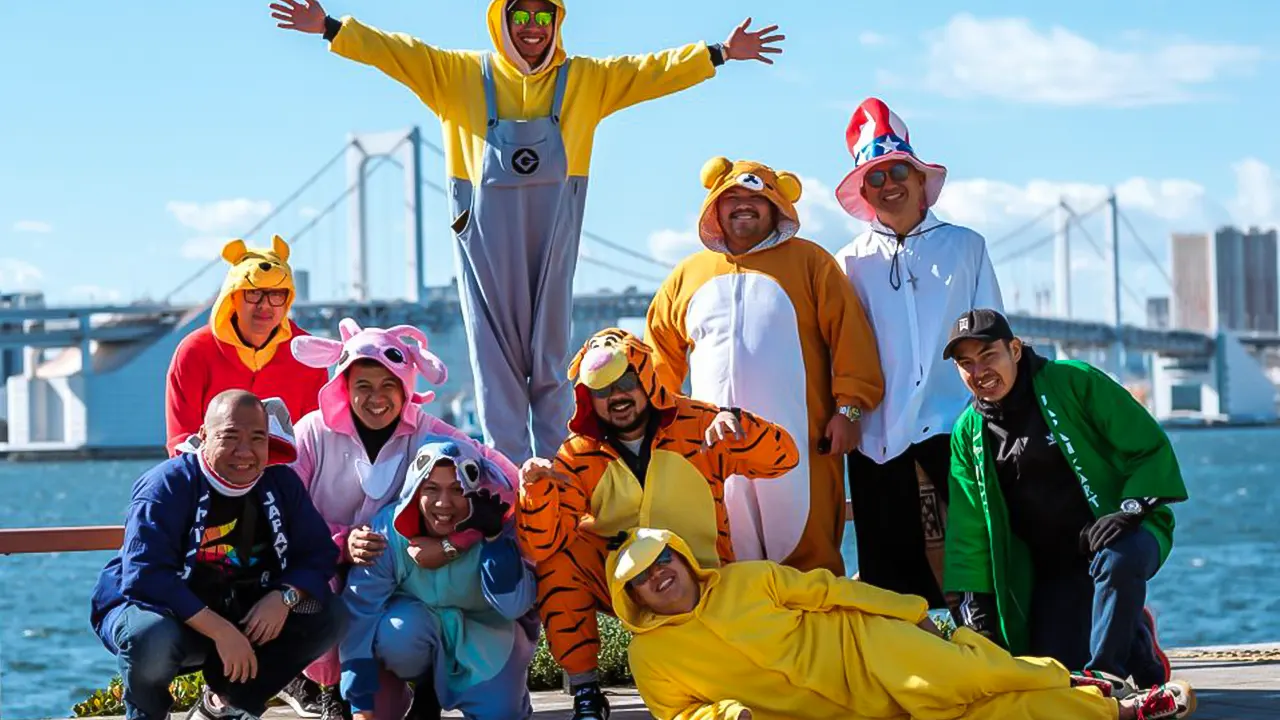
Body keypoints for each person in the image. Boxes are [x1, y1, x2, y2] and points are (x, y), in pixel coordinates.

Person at [271, 0, 785, 467]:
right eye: (522, 16)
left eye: (544, 17)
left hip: (553, 235)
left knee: (553, 362)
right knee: (494, 370)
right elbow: (398, 53)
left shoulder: (587, 79)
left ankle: (566, 478)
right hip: (484, 244)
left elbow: (651, 71)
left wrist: (717, 52)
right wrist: (332, 28)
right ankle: (507, 484)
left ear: (557, 22)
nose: (533, 28)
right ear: (502, 21)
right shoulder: (458, 75)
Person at [609, 527, 1197, 720]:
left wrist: (913, 614)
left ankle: (1104, 698)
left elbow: (832, 590)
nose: (659, 576)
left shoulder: (745, 579)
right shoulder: (651, 658)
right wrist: (728, 717)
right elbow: (677, 715)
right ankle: (1096, 701)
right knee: (981, 715)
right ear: (630, 595)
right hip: (834, 713)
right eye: (643, 577)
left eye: (665, 560)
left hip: (868, 648)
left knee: (963, 679)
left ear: (684, 557)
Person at [516, 328, 799, 720]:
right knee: (560, 560)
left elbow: (785, 457)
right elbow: (540, 546)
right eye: (602, 390)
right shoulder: (576, 455)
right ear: (586, 399)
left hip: (702, 579)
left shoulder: (700, 424)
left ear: (647, 376)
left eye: (627, 381)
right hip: (622, 582)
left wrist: (738, 426)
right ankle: (585, 690)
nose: (617, 397)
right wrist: (534, 491)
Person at [645, 157, 883, 576]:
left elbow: (851, 338)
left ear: (777, 206)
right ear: (714, 207)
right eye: (731, 197)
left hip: (803, 445)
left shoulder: (812, 263)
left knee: (807, 561)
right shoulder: (686, 276)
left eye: (755, 198)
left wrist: (849, 411)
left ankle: (818, 632)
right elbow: (657, 359)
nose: (743, 206)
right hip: (711, 448)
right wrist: (657, 425)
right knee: (726, 558)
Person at [282, 318, 524, 718]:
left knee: (400, 638)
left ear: (406, 386)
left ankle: (428, 680)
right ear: (343, 386)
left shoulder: (429, 432)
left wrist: (452, 542)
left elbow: (504, 482)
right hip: (324, 563)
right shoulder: (312, 432)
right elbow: (285, 508)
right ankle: (331, 689)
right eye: (363, 386)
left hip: (399, 580)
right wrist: (341, 545)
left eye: (389, 385)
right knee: (313, 589)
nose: (377, 398)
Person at [943, 308, 1189, 695]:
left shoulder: (1074, 381)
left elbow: (1149, 447)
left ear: (1016, 349)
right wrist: (976, 614)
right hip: (1052, 566)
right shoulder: (967, 432)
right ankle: (1135, 631)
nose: (979, 372)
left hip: (1126, 530)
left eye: (989, 355)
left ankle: (1105, 676)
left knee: (1118, 558)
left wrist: (1129, 510)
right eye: (966, 363)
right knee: (1053, 674)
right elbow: (968, 530)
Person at [832, 97, 1005, 607]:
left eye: (897, 172)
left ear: (918, 176)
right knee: (892, 583)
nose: (888, 185)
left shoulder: (966, 247)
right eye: (876, 178)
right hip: (876, 438)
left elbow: (994, 334)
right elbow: (842, 351)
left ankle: (997, 664)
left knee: (982, 566)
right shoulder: (846, 263)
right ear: (864, 191)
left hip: (959, 427)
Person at [90, 390, 342, 720]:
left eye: (257, 438)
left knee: (328, 613)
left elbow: (319, 553)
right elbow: (145, 576)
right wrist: (220, 630)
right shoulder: (166, 485)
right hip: (166, 614)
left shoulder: (281, 483)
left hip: (241, 611)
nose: (245, 451)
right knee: (149, 637)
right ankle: (147, 712)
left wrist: (284, 597)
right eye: (230, 436)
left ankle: (226, 704)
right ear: (204, 435)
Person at [341, 437, 538, 720]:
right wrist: (360, 703)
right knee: (396, 637)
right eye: (431, 488)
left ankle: (502, 692)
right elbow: (359, 612)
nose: (443, 503)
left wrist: (494, 540)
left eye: (457, 489)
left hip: (490, 638)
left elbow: (514, 606)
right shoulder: (387, 531)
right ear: (414, 489)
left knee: (503, 714)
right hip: (414, 630)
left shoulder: (497, 526)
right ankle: (423, 688)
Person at [165, 235, 328, 457]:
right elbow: (181, 439)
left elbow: (317, 440)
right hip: (210, 480)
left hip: (287, 482)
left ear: (288, 299)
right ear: (232, 297)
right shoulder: (194, 352)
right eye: (253, 293)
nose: (264, 305)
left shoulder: (307, 354)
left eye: (277, 294)